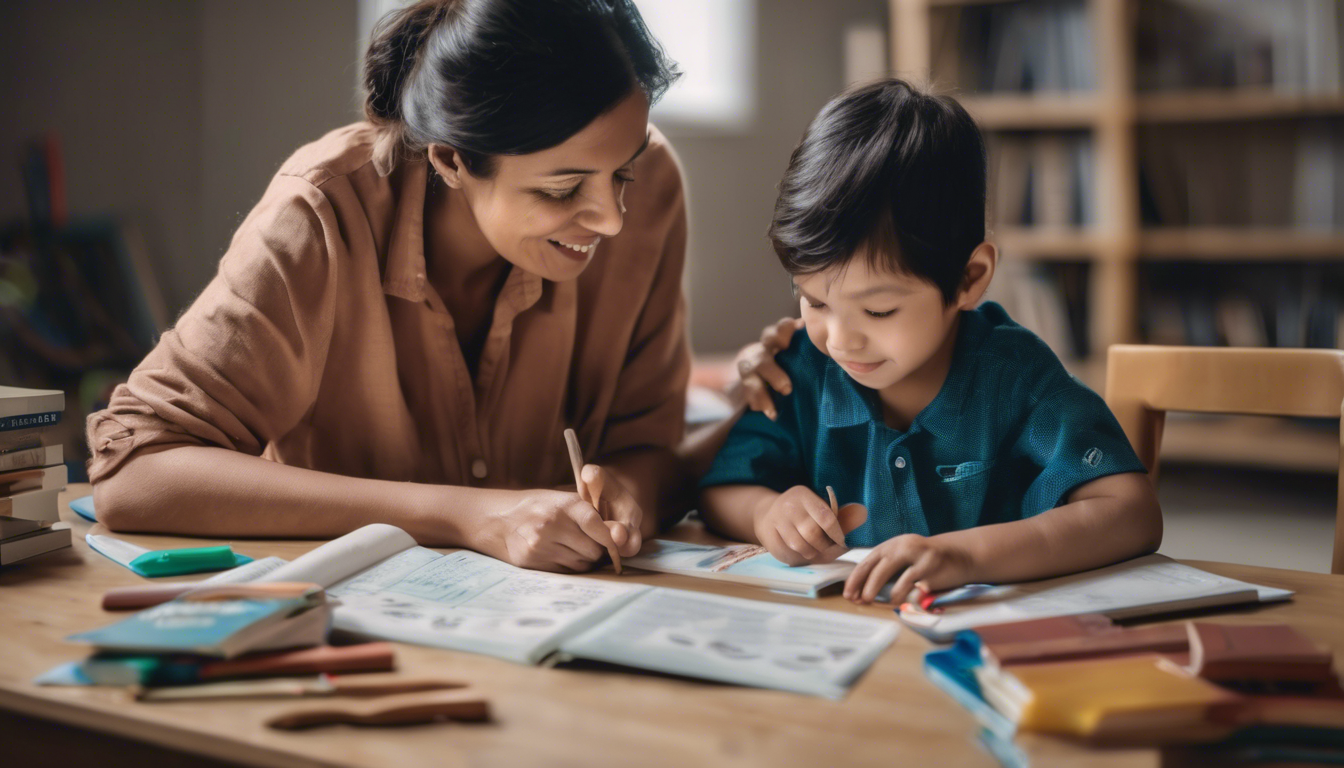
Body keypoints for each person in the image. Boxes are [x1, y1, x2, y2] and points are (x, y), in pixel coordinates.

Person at [87, 0, 691, 574]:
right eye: (561, 191)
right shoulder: (321, 214)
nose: (612, 218)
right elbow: (135, 471)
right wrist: (464, 515)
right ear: (452, 161)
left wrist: (629, 491)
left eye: (624, 172)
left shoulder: (654, 186)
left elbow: (651, 444)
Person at [699, 79, 1163, 605]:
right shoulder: (800, 367)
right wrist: (765, 512)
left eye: (878, 310)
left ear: (968, 279)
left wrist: (966, 556)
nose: (840, 338)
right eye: (814, 300)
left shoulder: (1014, 375)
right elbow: (720, 488)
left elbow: (1131, 511)